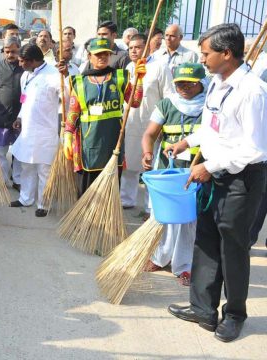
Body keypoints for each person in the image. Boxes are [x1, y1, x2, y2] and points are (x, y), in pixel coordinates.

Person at [165, 23, 267, 343]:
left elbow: (254, 148)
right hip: (211, 173)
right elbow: (214, 126)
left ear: (226, 54)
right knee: (205, 240)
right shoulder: (217, 82)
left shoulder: (252, 91)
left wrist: (210, 166)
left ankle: (234, 314)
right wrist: (189, 142)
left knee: (232, 248)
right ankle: (203, 308)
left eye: (206, 53)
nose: (202, 59)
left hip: (240, 179)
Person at [141, 63, 206, 286]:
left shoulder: (210, 106)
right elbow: (150, 133)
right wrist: (148, 153)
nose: (184, 88)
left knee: (189, 220)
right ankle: (160, 257)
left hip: (196, 172)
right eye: (179, 84)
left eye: (190, 83)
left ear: (201, 83)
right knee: (164, 216)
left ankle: (184, 266)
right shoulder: (166, 104)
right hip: (168, 170)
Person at [63, 38, 145, 193]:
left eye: (106, 54)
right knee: (87, 189)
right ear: (89, 56)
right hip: (88, 145)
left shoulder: (120, 77)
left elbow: (135, 102)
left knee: (110, 189)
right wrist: (67, 134)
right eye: (98, 54)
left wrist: (139, 80)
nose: (102, 57)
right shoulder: (80, 82)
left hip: (113, 143)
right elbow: (73, 112)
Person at [9, 44, 64, 217]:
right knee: (26, 166)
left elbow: (67, 97)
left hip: (45, 131)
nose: (20, 64)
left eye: (22, 61)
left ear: (33, 61)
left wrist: (66, 77)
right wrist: (19, 117)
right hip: (27, 130)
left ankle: (44, 203)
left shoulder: (54, 75)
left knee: (44, 170)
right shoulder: (26, 75)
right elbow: (24, 100)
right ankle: (25, 198)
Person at [120, 34, 173, 209]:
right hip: (131, 123)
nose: (134, 51)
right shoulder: (128, 68)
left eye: (138, 47)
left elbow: (168, 96)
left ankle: (150, 206)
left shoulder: (160, 67)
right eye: (131, 48)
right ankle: (127, 200)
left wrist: (165, 124)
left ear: (147, 47)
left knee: (151, 167)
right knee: (130, 165)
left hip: (152, 126)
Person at [0, 36, 23, 190]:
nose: (10, 55)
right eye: (7, 51)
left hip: (20, 118)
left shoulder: (25, 68)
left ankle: (18, 180)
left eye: (13, 51)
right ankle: (3, 179)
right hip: (1, 117)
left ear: (19, 50)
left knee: (20, 152)